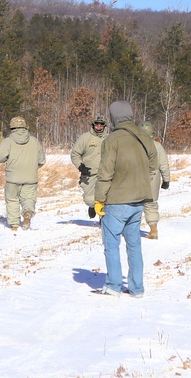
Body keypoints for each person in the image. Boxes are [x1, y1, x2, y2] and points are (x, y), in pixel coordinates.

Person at [93, 101, 157, 297]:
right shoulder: (145, 137)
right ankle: (137, 288)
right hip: (138, 201)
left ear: (113, 118)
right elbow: (153, 165)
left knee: (111, 245)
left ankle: (113, 285)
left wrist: (99, 200)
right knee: (134, 246)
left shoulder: (112, 140)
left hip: (116, 201)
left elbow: (105, 173)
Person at [0, 116, 46, 231]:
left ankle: (14, 225)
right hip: (30, 177)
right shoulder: (34, 141)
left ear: (12, 127)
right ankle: (27, 213)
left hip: (13, 177)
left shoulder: (8, 141)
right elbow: (42, 161)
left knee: (12, 200)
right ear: (25, 126)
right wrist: (32, 168)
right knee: (29, 199)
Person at [70, 113, 107, 218]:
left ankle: (103, 219)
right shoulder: (85, 138)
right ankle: (92, 206)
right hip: (89, 173)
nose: (99, 127)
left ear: (104, 126)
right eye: (97, 124)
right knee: (89, 199)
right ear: (93, 125)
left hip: (105, 173)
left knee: (105, 198)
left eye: (101, 125)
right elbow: (75, 154)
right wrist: (80, 166)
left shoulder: (109, 138)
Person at [138, 120, 170, 240]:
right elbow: (163, 164)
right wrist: (166, 180)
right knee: (151, 204)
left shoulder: (132, 146)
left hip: (134, 178)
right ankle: (153, 230)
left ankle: (130, 229)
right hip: (153, 178)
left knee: (133, 203)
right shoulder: (157, 146)